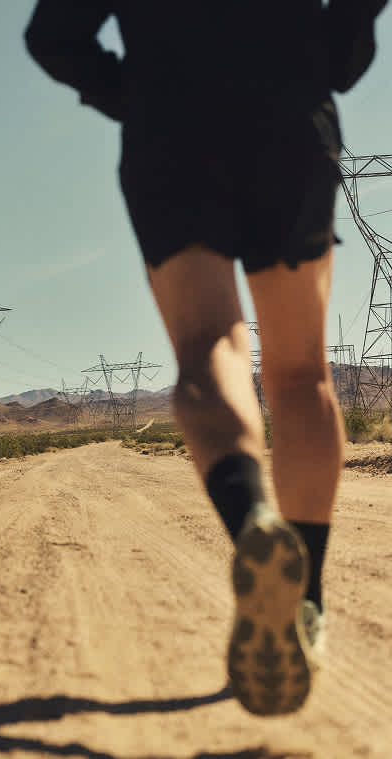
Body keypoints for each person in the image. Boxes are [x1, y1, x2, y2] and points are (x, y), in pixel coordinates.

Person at [24, 0, 388, 716]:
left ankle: (251, 519)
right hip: (289, 107)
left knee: (207, 348)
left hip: (170, 121)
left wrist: (133, 95)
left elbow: (51, 35)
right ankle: (303, 600)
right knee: (301, 375)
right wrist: (332, 52)